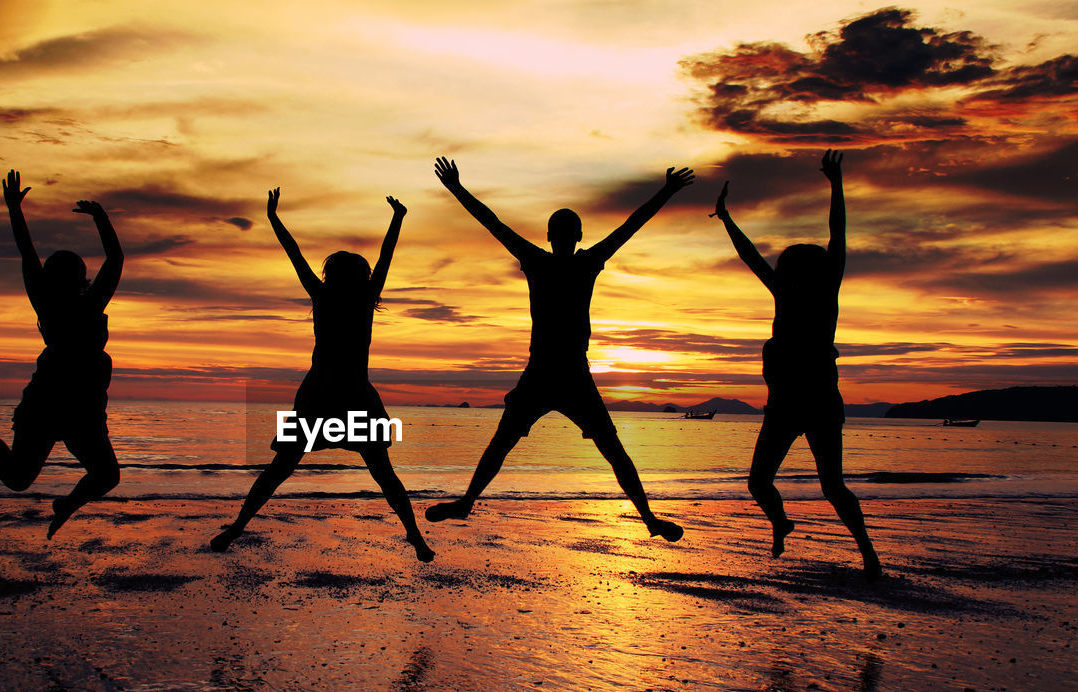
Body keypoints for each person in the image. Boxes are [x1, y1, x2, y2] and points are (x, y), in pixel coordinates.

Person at [425, 156, 693, 542]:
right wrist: (665, 191)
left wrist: (456, 188)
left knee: (514, 444)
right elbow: (627, 227)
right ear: (574, 236)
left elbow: (494, 224)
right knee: (605, 449)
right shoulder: (580, 261)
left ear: (552, 236)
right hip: (558, 371)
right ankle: (648, 518)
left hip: (559, 372)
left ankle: (468, 502)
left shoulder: (542, 260)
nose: (564, 236)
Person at [211, 188, 434, 562]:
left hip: (325, 394)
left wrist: (273, 217)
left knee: (283, 468)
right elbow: (384, 256)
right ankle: (414, 535)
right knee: (381, 473)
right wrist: (398, 218)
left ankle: (237, 527)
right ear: (361, 277)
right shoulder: (360, 296)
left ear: (331, 275)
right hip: (347, 395)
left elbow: (295, 253)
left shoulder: (325, 294)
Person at [713, 150, 880, 579]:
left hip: (814, 402)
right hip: (792, 405)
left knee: (826, 485)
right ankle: (785, 523)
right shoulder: (792, 294)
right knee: (769, 483)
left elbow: (836, 234)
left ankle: (867, 553)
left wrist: (836, 184)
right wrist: (727, 219)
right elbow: (752, 256)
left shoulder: (818, 294)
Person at [0, 170, 123, 539]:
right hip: (54, 401)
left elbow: (31, 251)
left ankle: (66, 503)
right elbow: (110, 260)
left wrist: (15, 209)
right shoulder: (61, 303)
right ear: (73, 279)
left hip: (79, 404)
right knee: (34, 477)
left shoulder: (77, 302)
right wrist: (100, 219)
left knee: (94, 476)